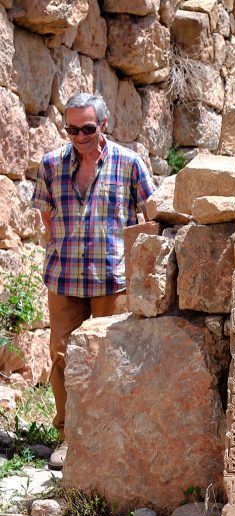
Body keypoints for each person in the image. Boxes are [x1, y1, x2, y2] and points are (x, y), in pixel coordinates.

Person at [31, 92, 156, 470]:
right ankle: (68, 436)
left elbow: (149, 216)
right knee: (62, 357)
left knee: (110, 359)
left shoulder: (130, 164)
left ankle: (108, 437)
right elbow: (46, 214)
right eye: (72, 129)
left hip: (110, 279)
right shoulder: (51, 164)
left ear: (103, 125)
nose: (79, 136)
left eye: (87, 128)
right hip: (65, 277)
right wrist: (61, 245)